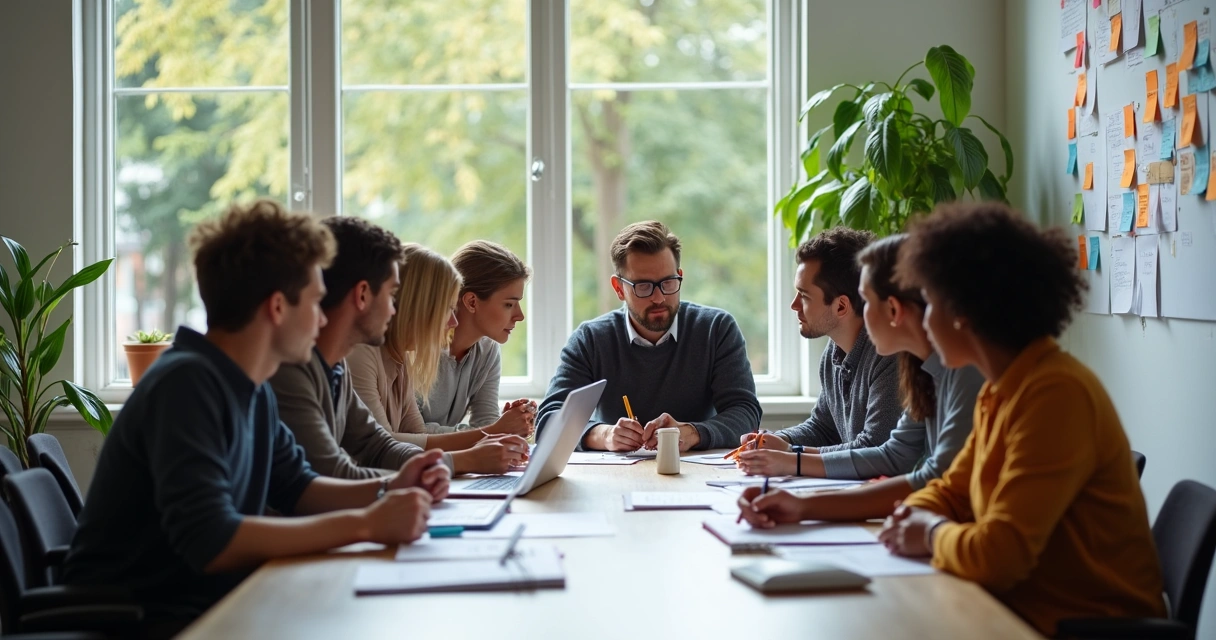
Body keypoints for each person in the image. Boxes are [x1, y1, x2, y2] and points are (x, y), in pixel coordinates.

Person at [61, 200, 449, 637]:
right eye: (317, 301)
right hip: (143, 619)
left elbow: (300, 487)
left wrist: (389, 487)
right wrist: (366, 523)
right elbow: (212, 539)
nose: (323, 319)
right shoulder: (187, 385)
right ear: (278, 307)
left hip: (203, 604)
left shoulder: (251, 387)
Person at [877, 203, 1165, 636]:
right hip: (1021, 611)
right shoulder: (1001, 389)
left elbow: (999, 557)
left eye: (930, 302)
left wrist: (931, 532)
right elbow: (949, 492)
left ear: (964, 312)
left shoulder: (1055, 393)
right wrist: (913, 516)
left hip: (1079, 627)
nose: (926, 320)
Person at [735, 234, 983, 519]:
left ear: (894, 309)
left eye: (864, 301)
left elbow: (930, 478)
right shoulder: (923, 366)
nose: (861, 315)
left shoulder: (961, 369)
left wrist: (794, 462)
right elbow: (896, 454)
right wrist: (797, 492)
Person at [536, 220, 760, 452]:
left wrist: (692, 433)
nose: (659, 298)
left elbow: (745, 413)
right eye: (644, 286)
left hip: (699, 476)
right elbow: (549, 420)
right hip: (615, 477)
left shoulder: (716, 329)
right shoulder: (591, 340)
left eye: (669, 283)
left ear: (680, 276)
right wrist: (604, 435)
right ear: (619, 288)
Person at [271, 216, 462, 476]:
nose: (395, 309)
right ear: (362, 295)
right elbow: (330, 474)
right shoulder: (291, 370)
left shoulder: (337, 367)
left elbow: (378, 446)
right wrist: (405, 483)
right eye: (392, 295)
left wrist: (434, 468)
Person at [348, 243, 529, 473]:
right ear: (419, 307)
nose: (453, 322)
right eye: (447, 309)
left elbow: (417, 436)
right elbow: (381, 448)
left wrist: (494, 438)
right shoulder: (362, 352)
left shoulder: (398, 357)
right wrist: (485, 441)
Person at [736, 227, 904, 469]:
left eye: (804, 296)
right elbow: (823, 427)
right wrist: (777, 440)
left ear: (841, 306)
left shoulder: (890, 356)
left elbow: (874, 447)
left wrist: (792, 455)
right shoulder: (833, 353)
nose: (794, 305)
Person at [419, 240, 536, 435]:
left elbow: (485, 424)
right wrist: (495, 431)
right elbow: (409, 432)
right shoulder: (415, 347)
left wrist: (507, 428)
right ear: (472, 302)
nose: (520, 316)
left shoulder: (487, 349)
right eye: (509, 304)